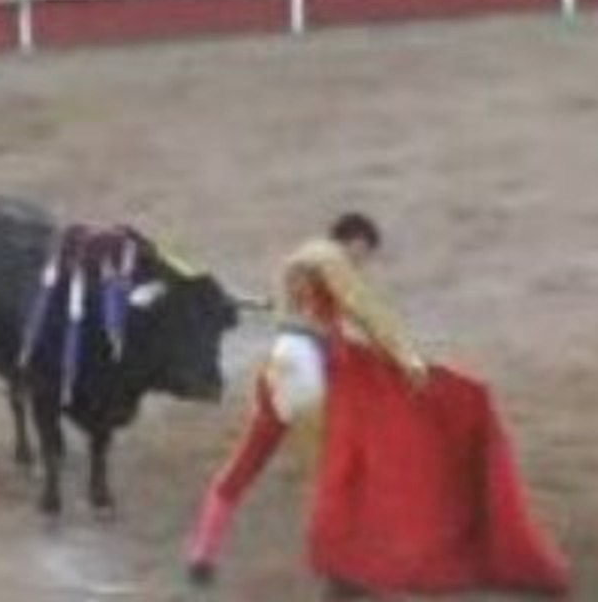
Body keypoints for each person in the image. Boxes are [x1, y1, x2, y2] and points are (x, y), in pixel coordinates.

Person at [185, 213, 570, 598]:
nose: (360, 262)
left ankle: (203, 552)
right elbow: (363, 307)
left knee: (248, 463)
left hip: (276, 374)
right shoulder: (328, 256)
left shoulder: (295, 264)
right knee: (347, 468)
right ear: (352, 239)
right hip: (309, 374)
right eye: (362, 253)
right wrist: (408, 359)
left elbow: (313, 318)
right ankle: (343, 572)